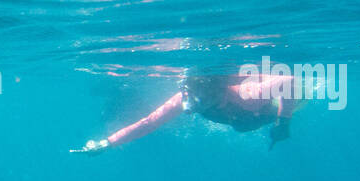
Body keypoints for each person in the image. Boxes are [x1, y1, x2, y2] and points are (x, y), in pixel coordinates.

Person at [72, 70, 305, 154]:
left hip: (271, 104)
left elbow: (290, 81)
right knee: (241, 125)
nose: (214, 109)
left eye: (214, 103)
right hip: (246, 116)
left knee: (245, 123)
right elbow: (149, 122)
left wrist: (284, 121)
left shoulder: (246, 93)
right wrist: (107, 143)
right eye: (202, 107)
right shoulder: (185, 99)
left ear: (223, 92)